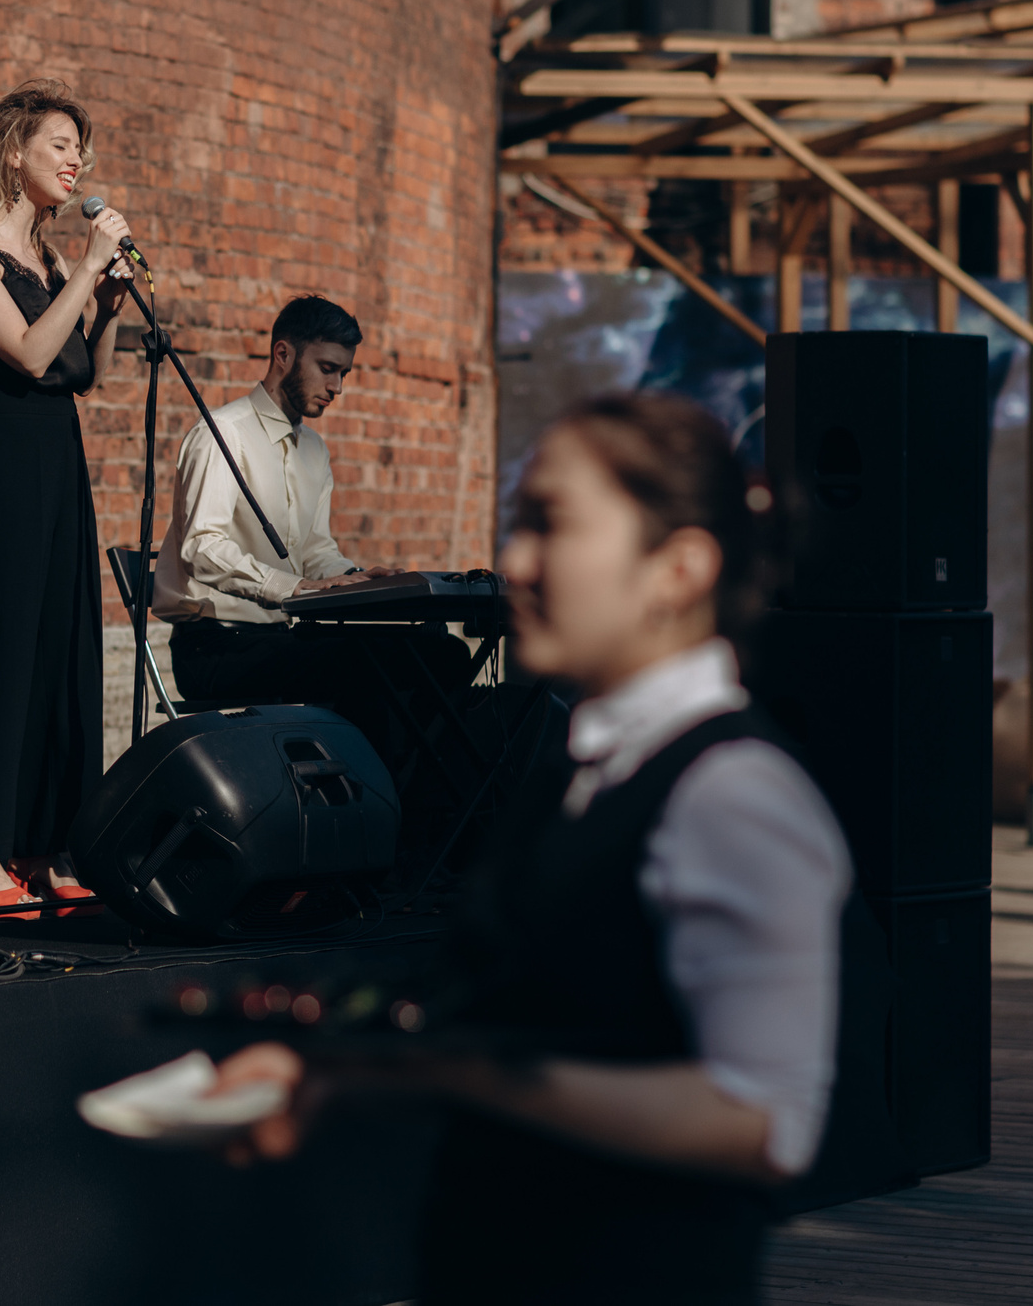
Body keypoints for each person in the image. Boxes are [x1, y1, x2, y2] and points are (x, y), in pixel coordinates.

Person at [217, 392, 850, 1305]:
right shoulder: (580, 761)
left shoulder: (735, 792)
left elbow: (763, 1120)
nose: (514, 560)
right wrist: (335, 1067)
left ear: (678, 566)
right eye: (519, 523)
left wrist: (477, 1076)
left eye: (550, 524)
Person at [0, 79, 133, 915]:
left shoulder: (54, 260)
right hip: (7, 465)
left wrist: (109, 298)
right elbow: (25, 353)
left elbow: (83, 371)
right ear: (13, 150)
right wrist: (88, 269)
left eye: (78, 148)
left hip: (62, 465)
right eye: (60, 145)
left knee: (61, 653)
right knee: (2, 652)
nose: (74, 160)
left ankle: (52, 847)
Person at [151, 294, 464, 738]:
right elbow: (202, 548)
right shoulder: (222, 434)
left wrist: (354, 579)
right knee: (366, 665)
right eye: (327, 368)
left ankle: (412, 789)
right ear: (283, 355)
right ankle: (379, 792)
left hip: (281, 639)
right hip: (215, 648)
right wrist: (292, 588)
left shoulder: (315, 450)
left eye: (344, 373)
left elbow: (315, 549)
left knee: (443, 652)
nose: (338, 387)